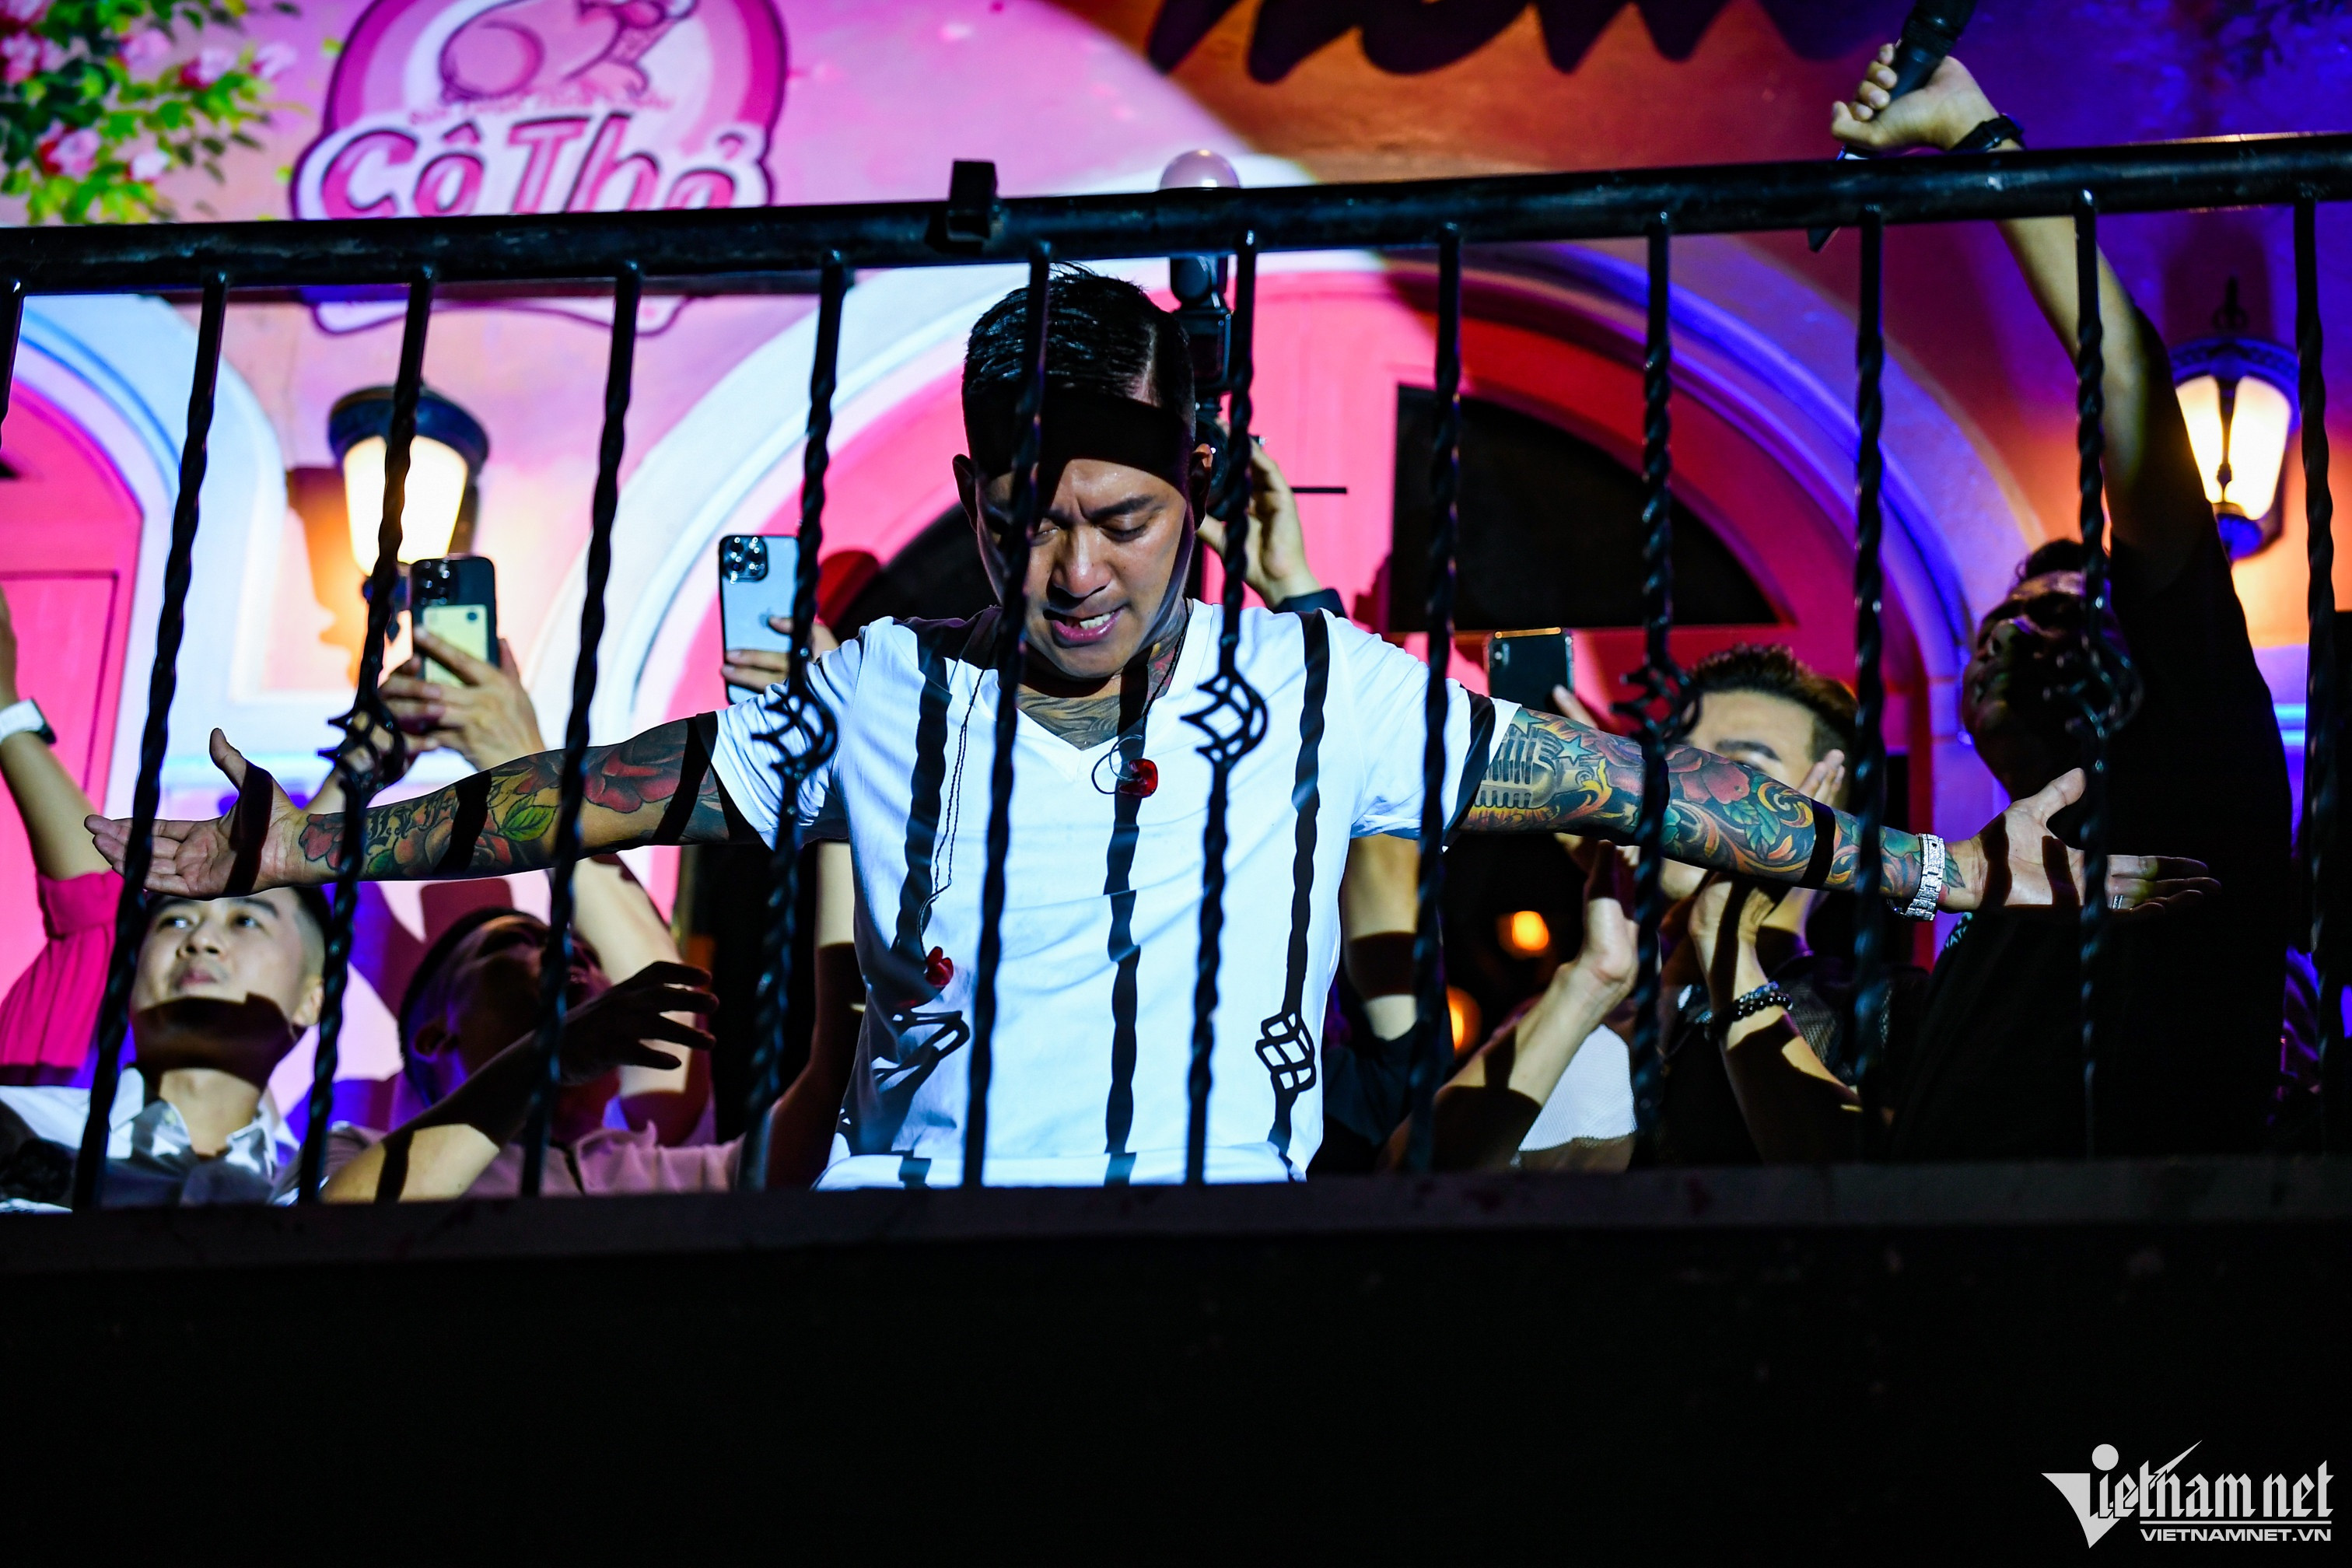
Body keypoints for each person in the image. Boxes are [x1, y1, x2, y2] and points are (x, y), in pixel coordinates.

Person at [89, 269, 2206, 1188]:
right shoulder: (881, 694)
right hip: (897, 1277)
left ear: (1195, 508)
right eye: (1033, 521)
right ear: (975, 501)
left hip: (1190, 1281)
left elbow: (1652, 789)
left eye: (1123, 523)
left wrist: (1949, 864)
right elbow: (596, 792)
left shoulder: (1324, 693)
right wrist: (297, 848)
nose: (1077, 569)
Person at [1836, 44, 2291, 1157]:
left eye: (2064, 615)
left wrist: (1977, 138)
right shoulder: (1989, 895)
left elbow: (2128, 378)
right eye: (2006, 613)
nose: (2014, 630)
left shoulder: (2188, 783)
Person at [0, 582, 332, 1207]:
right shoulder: (18, 1126)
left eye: (247, 922)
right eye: (175, 922)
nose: (201, 940)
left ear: (315, 997)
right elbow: (92, 897)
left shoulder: (330, 1193)